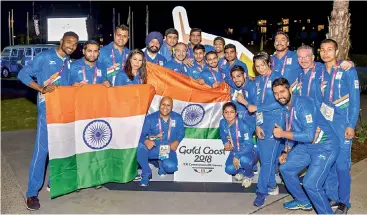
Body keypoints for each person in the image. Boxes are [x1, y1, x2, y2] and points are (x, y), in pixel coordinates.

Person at [17, 31, 79, 210]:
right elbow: (23, 74)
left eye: (75, 44)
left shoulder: (68, 63)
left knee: (61, 148)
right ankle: (31, 193)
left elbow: (64, 88)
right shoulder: (45, 56)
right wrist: (41, 88)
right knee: (41, 152)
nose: (71, 46)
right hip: (47, 113)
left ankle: (55, 182)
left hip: (63, 113)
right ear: (61, 41)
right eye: (69, 42)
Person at [272, 77, 340, 214]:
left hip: (325, 146)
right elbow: (293, 130)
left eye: (282, 91)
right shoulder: (287, 107)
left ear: (290, 89)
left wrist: (282, 133)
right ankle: (303, 201)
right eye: (276, 93)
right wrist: (286, 152)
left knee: (311, 184)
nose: (279, 96)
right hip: (307, 146)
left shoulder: (303, 104)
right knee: (285, 168)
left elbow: (308, 135)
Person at [237, 51, 285, 207]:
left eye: (262, 65)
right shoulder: (257, 81)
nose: (260, 68)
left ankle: (261, 191)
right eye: (257, 66)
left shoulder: (278, 78)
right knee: (266, 160)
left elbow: (280, 102)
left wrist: (257, 107)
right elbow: (257, 107)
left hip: (276, 122)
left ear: (269, 63)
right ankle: (272, 186)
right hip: (262, 123)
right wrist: (257, 125)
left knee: (267, 162)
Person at [319, 39, 360, 214]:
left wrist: (351, 125)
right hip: (325, 126)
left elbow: (355, 100)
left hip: (343, 125)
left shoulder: (347, 70)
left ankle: (344, 201)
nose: (326, 53)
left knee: (342, 165)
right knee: (328, 163)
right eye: (322, 50)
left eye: (330, 49)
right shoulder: (319, 72)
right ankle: (331, 196)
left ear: (336, 52)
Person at [137, 97, 185, 186]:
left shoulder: (177, 118)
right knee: (140, 147)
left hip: (168, 149)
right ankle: (146, 173)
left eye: (168, 105)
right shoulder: (150, 118)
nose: (165, 107)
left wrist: (177, 141)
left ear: (172, 107)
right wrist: (145, 140)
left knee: (171, 167)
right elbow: (140, 134)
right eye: (163, 104)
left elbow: (181, 132)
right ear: (159, 105)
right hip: (154, 148)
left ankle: (160, 163)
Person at [219, 102, 257, 188]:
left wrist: (237, 156)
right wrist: (225, 142)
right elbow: (222, 134)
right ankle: (241, 171)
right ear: (223, 113)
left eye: (231, 112)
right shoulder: (222, 123)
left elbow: (249, 144)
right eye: (226, 112)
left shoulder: (243, 125)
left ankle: (249, 175)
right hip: (235, 150)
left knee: (244, 160)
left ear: (236, 113)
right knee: (229, 169)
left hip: (249, 150)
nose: (229, 115)